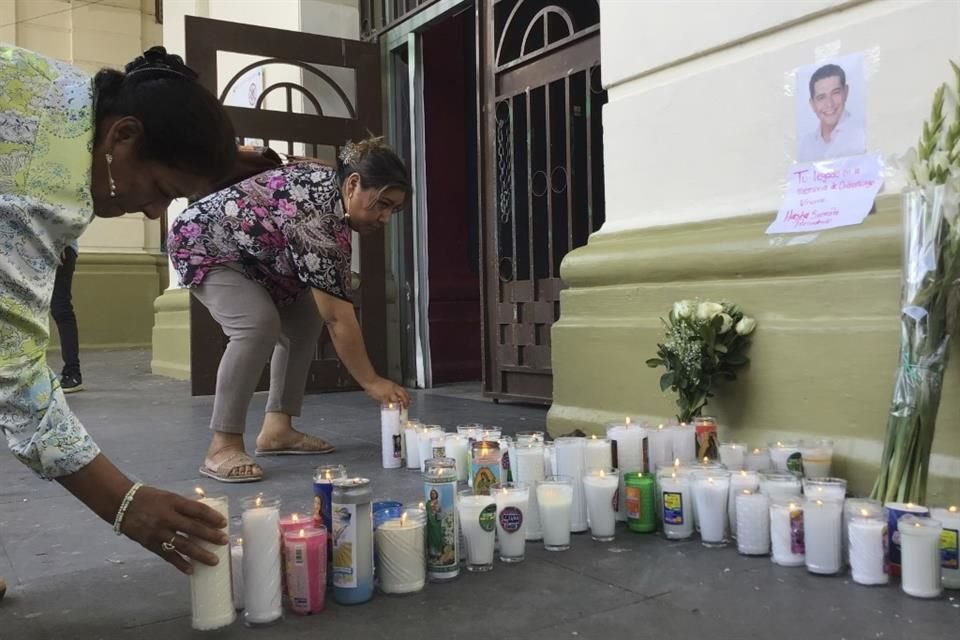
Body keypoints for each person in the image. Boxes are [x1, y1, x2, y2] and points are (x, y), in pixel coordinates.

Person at [0, 44, 238, 578]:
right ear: (123, 135)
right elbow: (12, 375)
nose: (154, 210)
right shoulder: (44, 180)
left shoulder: (67, 93)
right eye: (159, 190)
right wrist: (123, 503)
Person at [169, 137, 412, 483]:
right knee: (256, 325)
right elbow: (337, 316)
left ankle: (277, 430)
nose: (386, 218)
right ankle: (222, 445)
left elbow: (326, 307)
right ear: (354, 184)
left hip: (255, 256)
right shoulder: (319, 219)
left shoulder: (336, 186)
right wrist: (372, 382)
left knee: (304, 318)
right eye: (382, 204)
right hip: (203, 242)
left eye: (394, 210)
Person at [797, 63, 866, 162]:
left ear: (846, 92)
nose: (829, 104)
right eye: (821, 97)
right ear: (812, 104)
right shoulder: (806, 144)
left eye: (835, 93)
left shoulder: (862, 134)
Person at [51, 240, 83, 392]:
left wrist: (62, 239)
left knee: (60, 308)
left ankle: (72, 372)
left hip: (61, 245)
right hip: (28, 246)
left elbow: (74, 217)